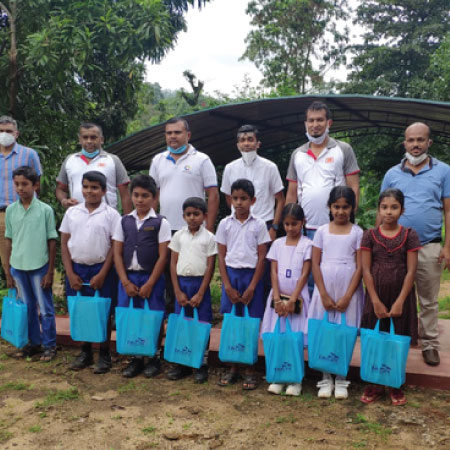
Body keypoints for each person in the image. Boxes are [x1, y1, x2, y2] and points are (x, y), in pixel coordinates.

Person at [380, 122, 450, 367]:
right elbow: (382, 211)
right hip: (396, 247)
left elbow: (449, 211)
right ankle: (397, 339)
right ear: (405, 143)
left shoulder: (444, 171)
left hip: (430, 245)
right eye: (411, 140)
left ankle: (429, 344)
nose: (416, 145)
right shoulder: (392, 174)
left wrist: (448, 246)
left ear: (429, 142)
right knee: (396, 295)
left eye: (421, 140)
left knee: (428, 299)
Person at [360, 189, 421, 406]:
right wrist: (375, 300)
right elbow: (366, 270)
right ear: (378, 209)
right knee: (375, 340)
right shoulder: (369, 235)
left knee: (397, 341)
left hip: (400, 297)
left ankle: (395, 383)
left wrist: (400, 301)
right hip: (376, 297)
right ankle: (374, 382)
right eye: (384, 207)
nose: (388, 212)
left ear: (402, 210)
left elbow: (411, 271)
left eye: (394, 207)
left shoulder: (409, 235)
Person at [60, 171, 121, 374]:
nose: (89, 191)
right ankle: (85, 352)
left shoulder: (112, 215)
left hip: (101, 269)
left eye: (94, 187)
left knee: (103, 312)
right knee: (81, 311)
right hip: (77, 268)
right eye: (86, 186)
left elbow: (114, 247)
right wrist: (69, 273)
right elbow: (64, 243)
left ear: (104, 191)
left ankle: (104, 354)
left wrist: (103, 273)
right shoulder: (72, 213)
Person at [113, 174, 171, 378]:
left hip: (151, 278)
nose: (140, 200)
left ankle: (153, 357)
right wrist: (125, 281)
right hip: (129, 278)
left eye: (145, 196)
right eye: (136, 195)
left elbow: (163, 257)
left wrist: (150, 283)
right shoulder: (124, 221)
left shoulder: (160, 222)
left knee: (153, 317)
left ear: (154, 198)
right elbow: (117, 253)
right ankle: (136, 357)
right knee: (131, 317)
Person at [309, 186, 364, 400]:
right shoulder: (322, 231)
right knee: (324, 330)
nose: (340, 211)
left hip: (347, 288)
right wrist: (322, 293)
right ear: (329, 207)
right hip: (325, 286)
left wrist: (348, 295)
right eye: (336, 207)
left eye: (345, 207)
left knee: (344, 331)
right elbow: (315, 262)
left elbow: (360, 267)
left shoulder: (357, 232)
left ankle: (341, 377)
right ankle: (324, 377)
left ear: (352, 208)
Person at [216, 179, 271, 390]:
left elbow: (262, 257)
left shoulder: (259, 225)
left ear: (253, 200)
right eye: (235, 198)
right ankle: (232, 367)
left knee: (250, 324)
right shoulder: (225, 224)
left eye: (244, 199)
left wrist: (252, 287)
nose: (239, 203)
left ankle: (249, 368)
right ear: (230, 199)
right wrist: (227, 286)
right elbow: (221, 256)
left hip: (251, 278)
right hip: (231, 275)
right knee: (231, 322)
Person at [4, 166, 58, 361]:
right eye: (17, 184)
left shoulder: (45, 210)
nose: (20, 188)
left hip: (39, 266)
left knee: (45, 309)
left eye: (25, 184)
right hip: (18, 266)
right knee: (27, 307)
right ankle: (34, 343)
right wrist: (8, 270)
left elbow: (52, 241)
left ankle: (50, 345)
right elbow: (8, 240)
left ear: (35, 185)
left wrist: (50, 271)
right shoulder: (11, 210)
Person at [285, 102, 360, 239]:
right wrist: (290, 223)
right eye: (311, 120)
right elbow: (291, 194)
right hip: (304, 230)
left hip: (336, 227)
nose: (315, 125)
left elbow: (354, 187)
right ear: (305, 124)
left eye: (320, 120)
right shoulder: (297, 154)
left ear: (329, 123)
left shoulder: (343, 149)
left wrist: (348, 219)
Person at [260, 203, 312, 397]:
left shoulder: (307, 244)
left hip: (297, 299)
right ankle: (278, 376)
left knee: (294, 338)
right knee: (278, 336)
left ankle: (295, 379)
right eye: (287, 224)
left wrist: (293, 299)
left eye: (295, 224)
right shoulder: (278, 243)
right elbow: (273, 270)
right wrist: (276, 296)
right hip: (277, 298)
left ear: (303, 223)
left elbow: (306, 273)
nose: (291, 228)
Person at [168, 197, 217, 383]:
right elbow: (172, 264)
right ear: (183, 216)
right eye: (188, 214)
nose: (192, 218)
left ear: (204, 216)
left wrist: (201, 293)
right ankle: (182, 362)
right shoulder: (179, 236)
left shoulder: (209, 238)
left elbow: (211, 266)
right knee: (183, 324)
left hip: (199, 286)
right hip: (182, 284)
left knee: (201, 324)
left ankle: (201, 364)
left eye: (196, 214)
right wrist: (177, 291)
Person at [149, 117, 219, 232]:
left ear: (188, 135)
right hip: (165, 228)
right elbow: (153, 196)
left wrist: (209, 227)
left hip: (194, 228)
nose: (173, 136)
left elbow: (213, 196)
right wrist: (151, 224)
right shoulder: (157, 160)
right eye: (169, 133)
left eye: (177, 132)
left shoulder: (202, 160)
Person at [221, 124, 285, 240]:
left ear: (258, 143)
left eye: (250, 139)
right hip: (238, 225)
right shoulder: (230, 168)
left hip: (265, 224)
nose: (246, 144)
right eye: (242, 140)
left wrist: (274, 227)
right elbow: (228, 197)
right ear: (238, 145)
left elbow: (280, 200)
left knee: (264, 258)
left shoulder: (270, 167)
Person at [56, 122, 132, 213]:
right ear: (79, 140)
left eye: (93, 137)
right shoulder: (70, 160)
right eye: (85, 137)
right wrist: (64, 201)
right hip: (77, 218)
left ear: (101, 139)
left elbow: (125, 195)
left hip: (108, 219)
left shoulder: (113, 160)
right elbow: (60, 188)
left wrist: (128, 221)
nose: (89, 141)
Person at [0, 116, 42, 273]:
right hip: (1, 215)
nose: (4, 134)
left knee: (29, 256)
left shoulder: (29, 154)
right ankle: (15, 295)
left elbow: (37, 182)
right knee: (7, 261)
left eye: (8, 131)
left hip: (25, 212)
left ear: (16, 133)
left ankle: (31, 295)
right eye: (1, 131)